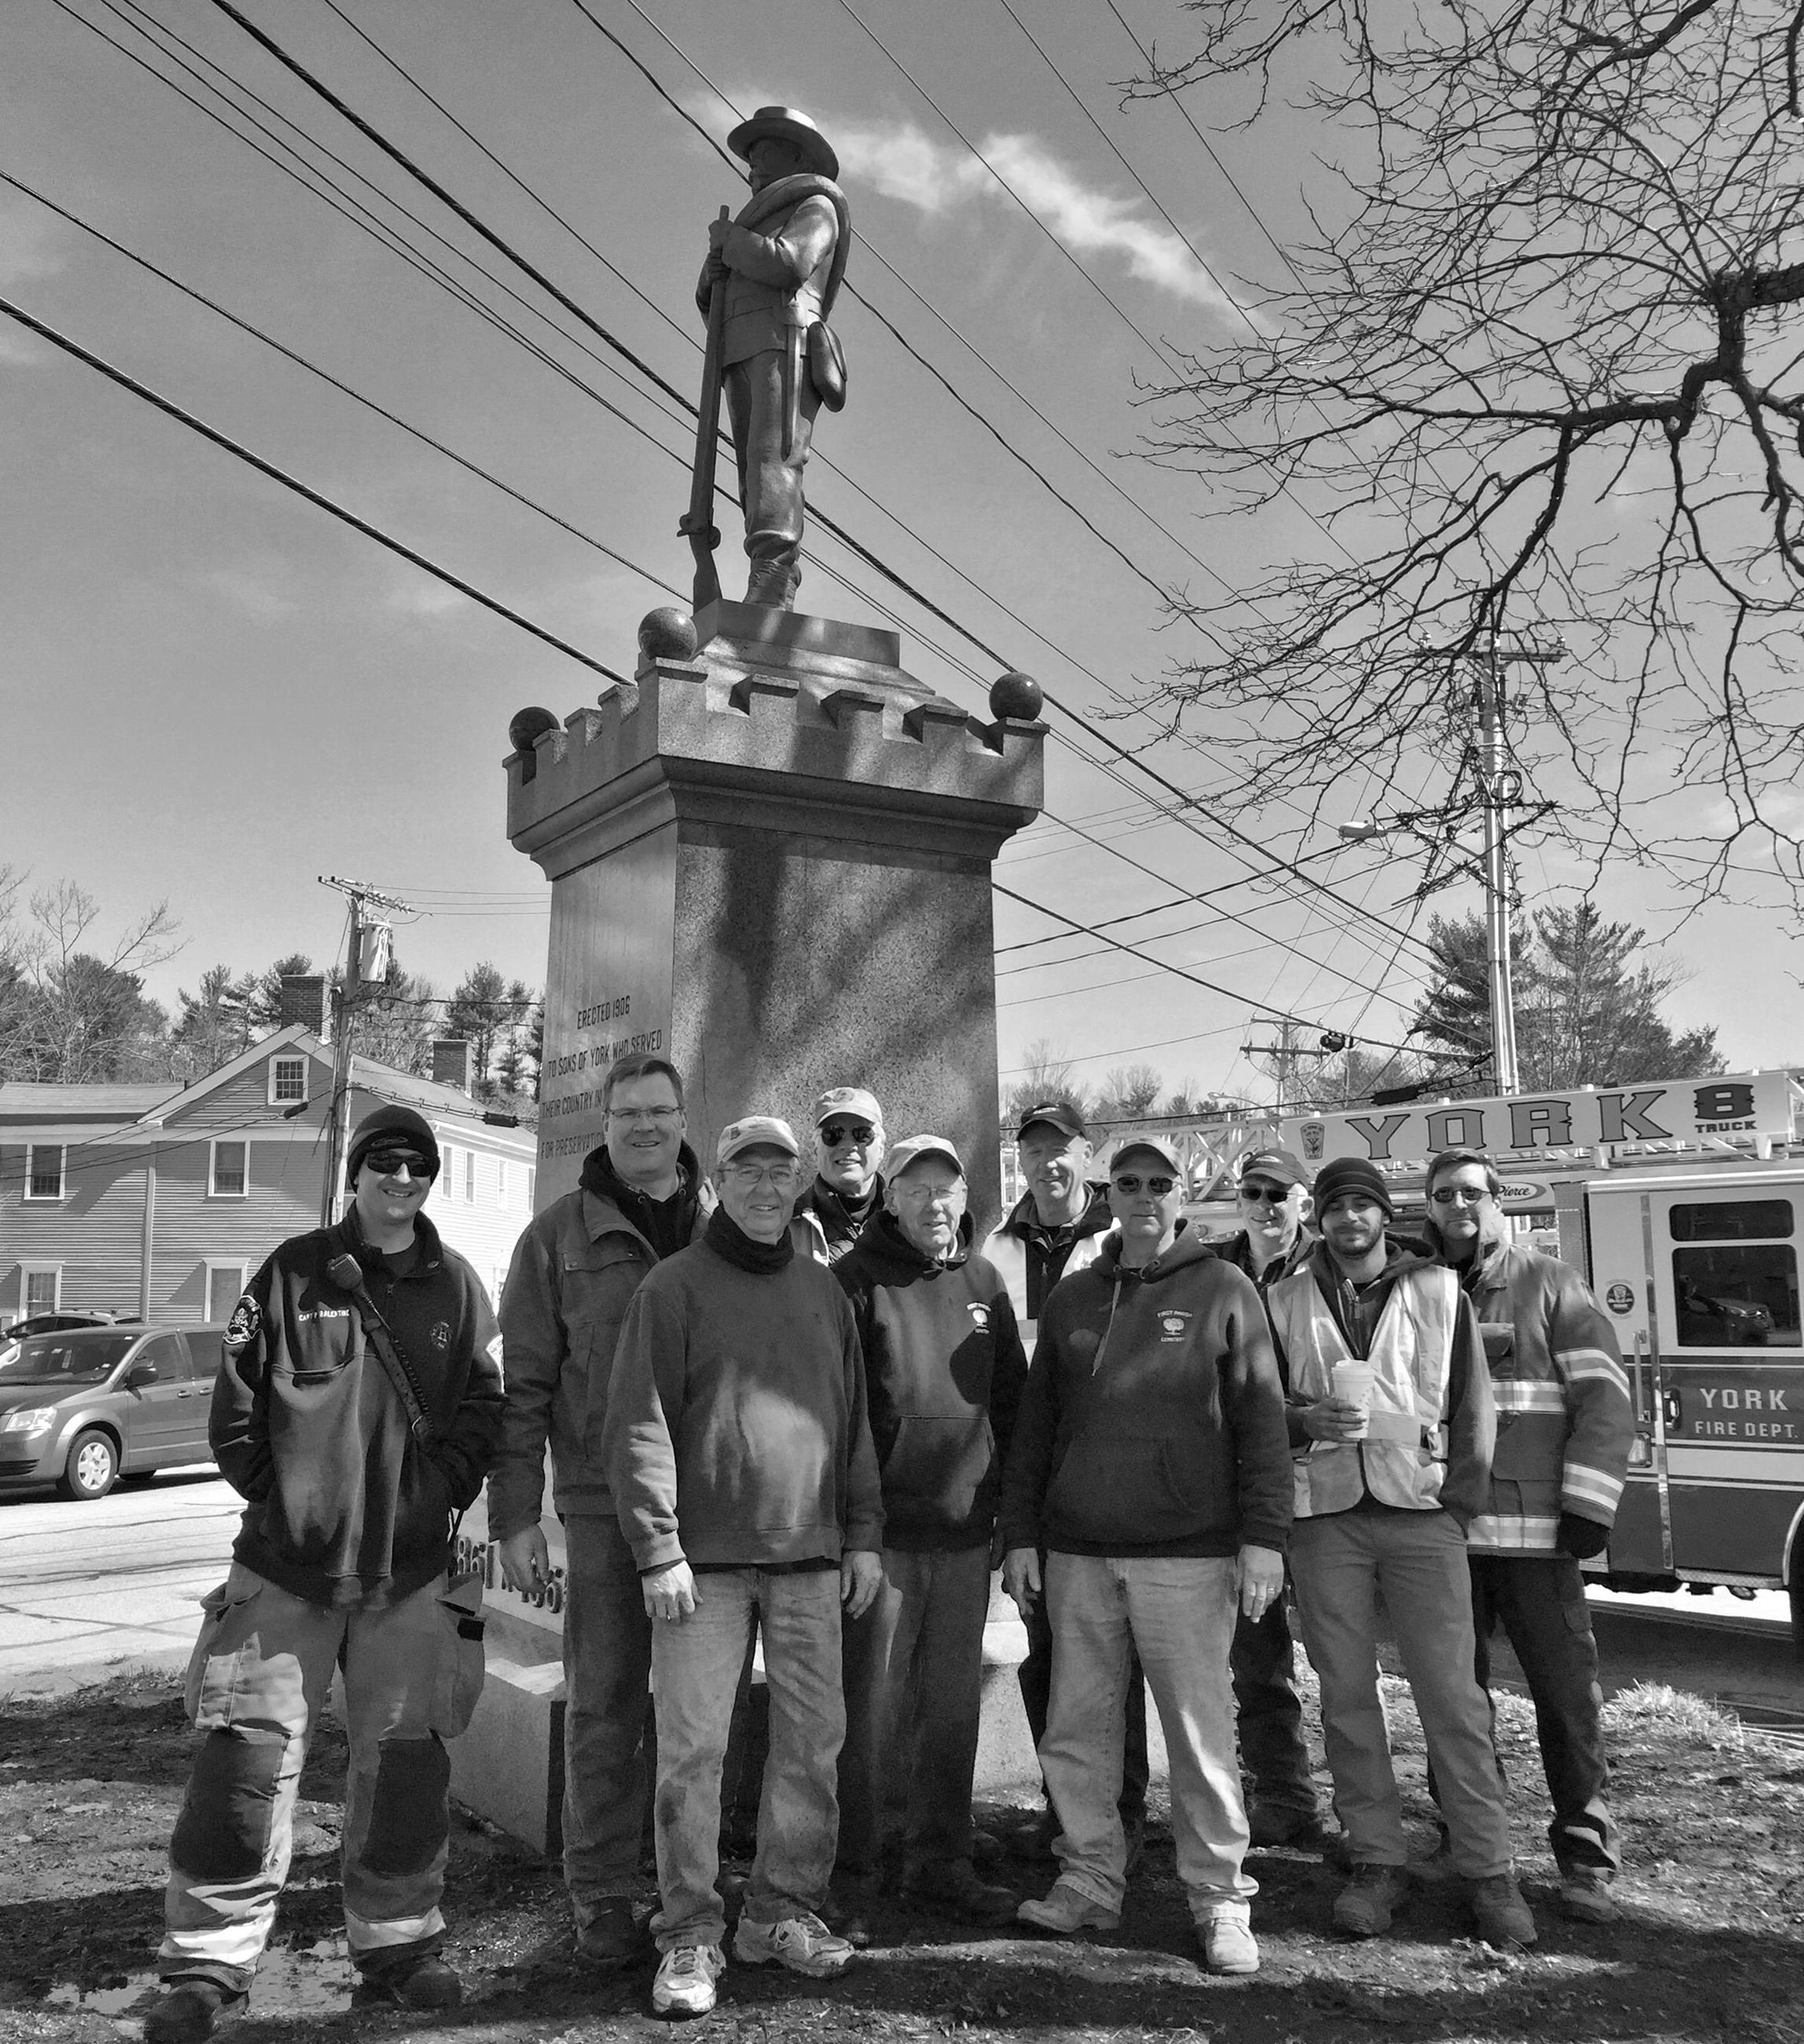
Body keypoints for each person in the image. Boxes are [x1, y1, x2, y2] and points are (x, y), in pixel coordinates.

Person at [146, 1106, 505, 2044]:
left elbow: (484, 1401)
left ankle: (399, 1944)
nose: (402, 1177)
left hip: (409, 1573)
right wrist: (289, 1506)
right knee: (243, 1757)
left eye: (419, 1165)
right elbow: (236, 1410)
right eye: (384, 1161)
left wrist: (442, 1489)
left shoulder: (457, 1285)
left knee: (407, 1762)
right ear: (356, 1171)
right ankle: (208, 1961)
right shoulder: (292, 1271)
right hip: (284, 1571)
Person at [604, 1116, 884, 2017]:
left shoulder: (823, 1289)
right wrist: (658, 1546)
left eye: (779, 1170)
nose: (765, 1186)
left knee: (812, 1743)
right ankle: (689, 1931)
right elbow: (638, 1419)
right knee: (693, 1752)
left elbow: (853, 1422)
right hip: (703, 1567)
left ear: (797, 1181)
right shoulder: (672, 1286)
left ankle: (778, 1911)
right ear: (717, 1181)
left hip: (810, 1558)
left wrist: (863, 1533)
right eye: (747, 1170)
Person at [1000, 1134, 1291, 1973]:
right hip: (1077, 1554)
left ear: (1181, 1196)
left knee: (1199, 1736)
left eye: (1159, 1183)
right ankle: (1090, 1878)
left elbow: (1262, 1422)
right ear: (1109, 1193)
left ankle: (1219, 1898)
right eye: (1127, 1182)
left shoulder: (1224, 1288)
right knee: (1078, 1731)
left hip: (1189, 1557)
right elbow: (1035, 1430)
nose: (1143, 1196)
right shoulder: (1072, 1296)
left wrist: (1265, 1538)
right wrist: (1020, 1536)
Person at [1265, 1156, 1537, 1947]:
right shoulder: (1281, 1297)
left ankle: (1489, 1869)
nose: (1350, 1219)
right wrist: (1302, 1420)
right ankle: (1377, 1860)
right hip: (1325, 1518)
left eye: (1364, 1205)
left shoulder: (1439, 1290)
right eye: (1336, 1206)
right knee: (1346, 1695)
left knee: (1453, 1697)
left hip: (1422, 1513)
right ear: (1318, 1217)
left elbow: (1473, 1405)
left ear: (1386, 1216)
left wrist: (1460, 1505)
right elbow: (1256, 1403)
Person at [490, 1052, 713, 1965]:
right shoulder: (555, 1239)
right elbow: (523, 1387)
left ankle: (692, 1881)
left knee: (701, 1711)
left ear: (684, 1119)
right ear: (606, 1123)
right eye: (629, 1113)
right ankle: (603, 1890)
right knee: (606, 1705)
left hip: (713, 1508)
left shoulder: (724, 1224)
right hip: (601, 1505)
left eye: (660, 1110)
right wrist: (513, 1515)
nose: (646, 1125)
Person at [1424, 1147, 1633, 1922]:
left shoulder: (1549, 1283)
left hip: (1538, 1541)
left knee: (1566, 1700)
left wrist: (1589, 1502)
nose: (1458, 1206)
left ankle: (1585, 1856)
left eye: (1471, 1193)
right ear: (1429, 1206)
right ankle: (1467, 1838)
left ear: (1497, 1200)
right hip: (1444, 1536)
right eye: (1444, 1194)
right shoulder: (1418, 1288)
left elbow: (1605, 1396)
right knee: (1453, 1702)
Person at [832, 1134, 1028, 1931]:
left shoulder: (984, 1282)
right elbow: (840, 1417)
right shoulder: (852, 1283)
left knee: (951, 1710)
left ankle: (941, 1861)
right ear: (891, 1198)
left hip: (965, 1537)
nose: (934, 1203)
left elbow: (1011, 1406)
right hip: (882, 1543)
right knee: (870, 1716)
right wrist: (855, 1529)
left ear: (963, 1197)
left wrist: (1009, 1518)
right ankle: (856, 1873)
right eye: (916, 1189)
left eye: (946, 1188)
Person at [983, 1101, 1147, 1862]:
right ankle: (1064, 1809)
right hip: (1032, 1479)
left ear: (1088, 1154)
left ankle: (1125, 1810)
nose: (1048, 1162)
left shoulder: (1121, 1239)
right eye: (1034, 1149)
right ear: (1019, 1159)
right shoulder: (994, 1249)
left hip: (1108, 1477)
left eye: (1061, 1148)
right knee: (1044, 1652)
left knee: (1115, 1657)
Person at [1214, 1149, 1325, 1848]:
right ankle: (1284, 1795)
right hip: (1242, 1486)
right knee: (1255, 1656)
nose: (1263, 1205)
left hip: (1325, 1485)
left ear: (1302, 1202)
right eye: (1251, 1192)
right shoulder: (1212, 1271)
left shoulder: (1331, 1268)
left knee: (1342, 1661)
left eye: (1277, 1194)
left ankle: (1371, 1820)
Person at [698, 107, 848, 610]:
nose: (753, 167)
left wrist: (732, 243)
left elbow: (790, 263)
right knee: (751, 470)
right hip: (739, 346)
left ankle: (775, 574)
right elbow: (713, 301)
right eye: (751, 158)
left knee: (774, 458)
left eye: (764, 154)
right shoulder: (753, 220)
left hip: (787, 340)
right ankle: (763, 569)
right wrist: (713, 273)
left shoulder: (816, 206)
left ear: (797, 157)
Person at [793, 1086, 887, 1263]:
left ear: (881, 1149)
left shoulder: (908, 1217)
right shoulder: (786, 1226)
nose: (847, 1146)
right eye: (833, 1134)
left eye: (862, 1134)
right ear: (815, 1149)